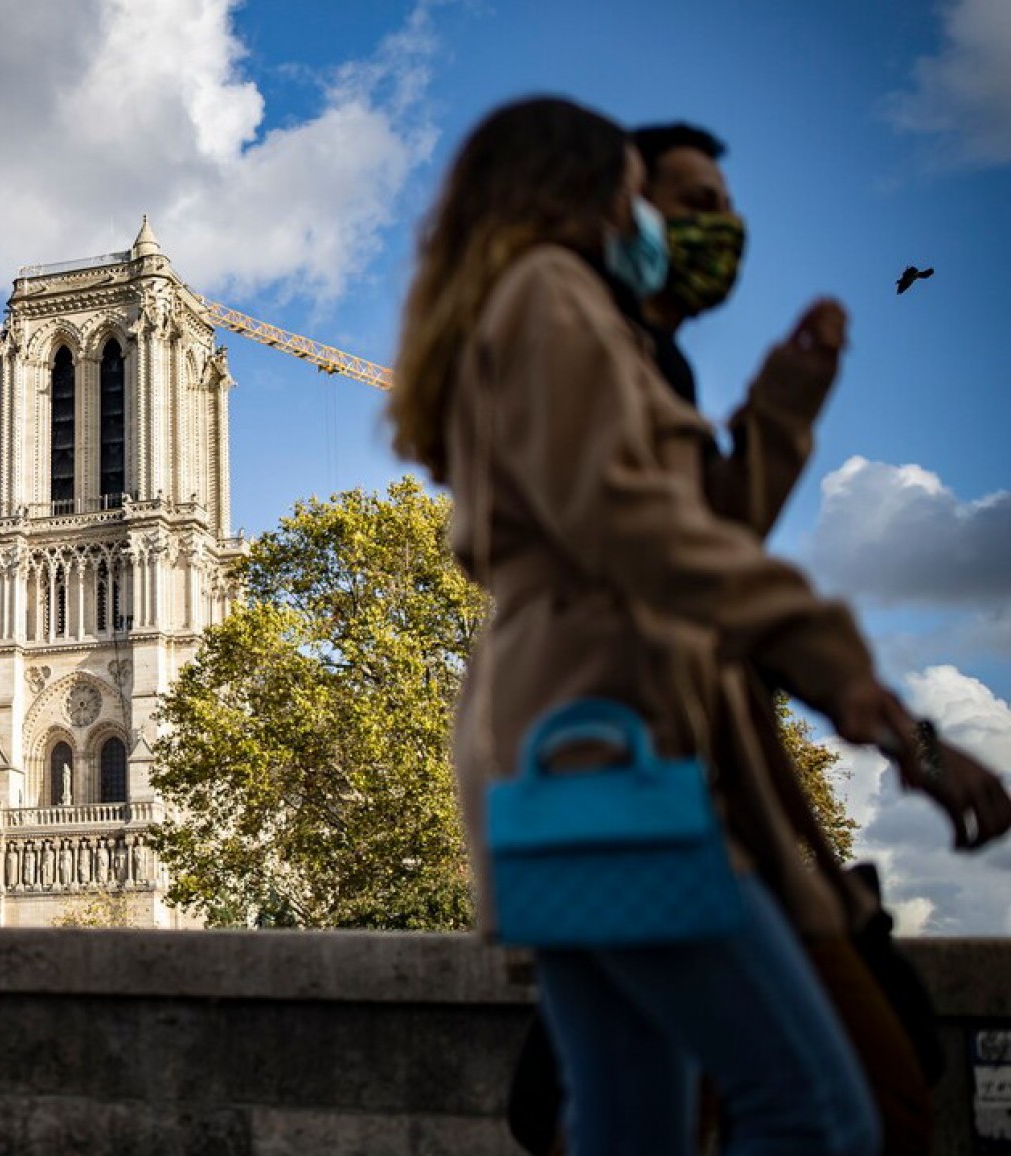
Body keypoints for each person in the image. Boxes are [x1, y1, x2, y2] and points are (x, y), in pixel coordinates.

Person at [388, 96, 1011, 1155]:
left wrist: (779, 410)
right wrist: (860, 689)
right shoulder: (550, 297)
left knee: (634, 1127)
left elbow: (678, 522)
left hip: (566, 750)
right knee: (815, 1114)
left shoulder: (547, 315)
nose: (658, 228)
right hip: (604, 748)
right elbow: (646, 529)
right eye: (637, 198)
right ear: (578, 192)